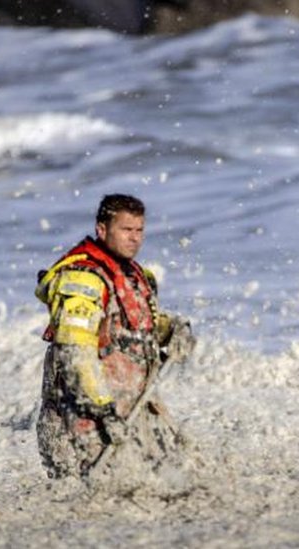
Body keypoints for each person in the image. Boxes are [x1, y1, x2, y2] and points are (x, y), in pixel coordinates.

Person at [35, 193, 195, 483]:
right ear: (102, 229)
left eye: (139, 230)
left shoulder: (134, 275)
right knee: (93, 493)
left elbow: (138, 325)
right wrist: (103, 410)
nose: (134, 238)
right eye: (126, 229)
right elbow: (75, 355)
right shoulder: (82, 280)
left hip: (132, 409)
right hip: (86, 417)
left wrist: (173, 331)